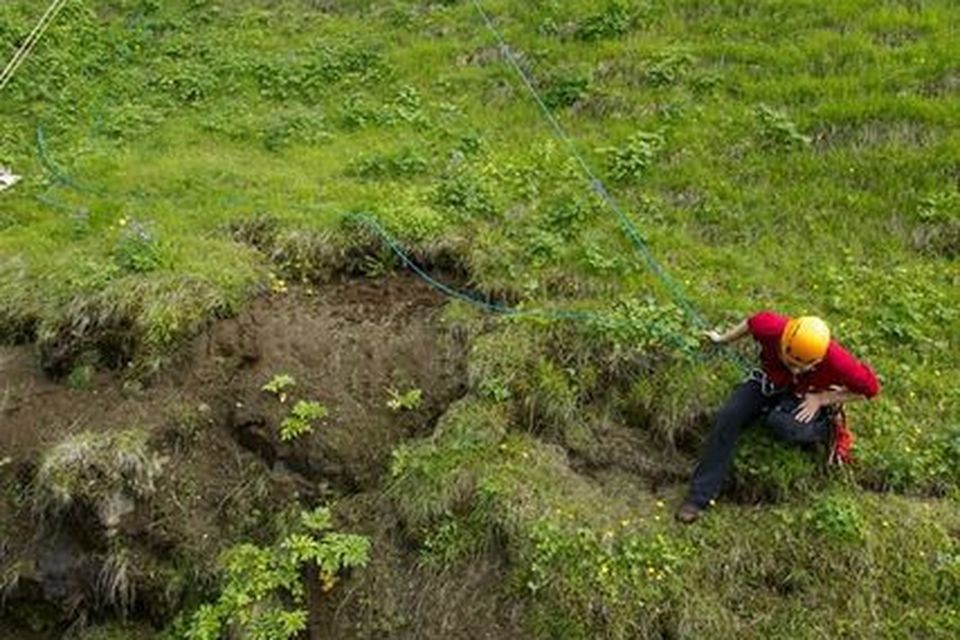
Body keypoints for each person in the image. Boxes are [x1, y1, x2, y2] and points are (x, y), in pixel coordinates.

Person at [676, 312, 880, 524]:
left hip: (805, 395)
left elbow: (870, 389)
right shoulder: (772, 327)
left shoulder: (838, 361)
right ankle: (698, 497)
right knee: (728, 416)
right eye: (789, 360)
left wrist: (822, 398)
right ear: (783, 342)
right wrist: (722, 339)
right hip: (770, 381)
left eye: (801, 366)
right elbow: (750, 324)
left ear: (818, 360)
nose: (794, 368)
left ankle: (825, 431)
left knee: (782, 425)